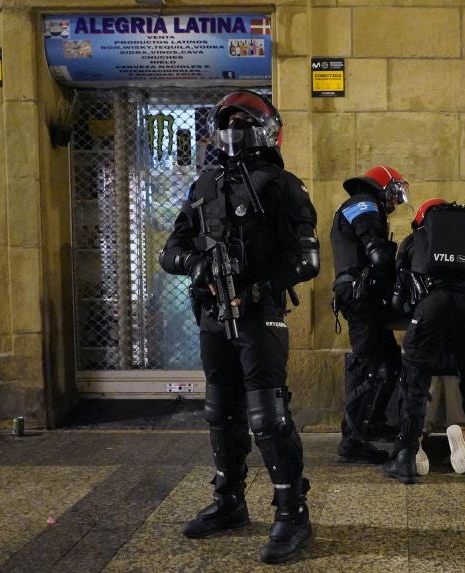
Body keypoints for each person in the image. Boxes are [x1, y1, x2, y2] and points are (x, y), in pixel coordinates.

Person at [159, 91, 319, 564]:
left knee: (267, 415)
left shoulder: (283, 186)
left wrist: (254, 288)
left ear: (267, 129)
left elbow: (307, 261)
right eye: (227, 123)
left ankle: (293, 512)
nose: (234, 132)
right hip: (211, 312)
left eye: (243, 123)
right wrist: (197, 264)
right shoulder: (204, 185)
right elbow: (172, 249)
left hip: (258, 312)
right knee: (218, 408)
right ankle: (230, 501)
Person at [383, 199, 465, 483]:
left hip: (432, 305)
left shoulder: (415, 239)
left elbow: (399, 290)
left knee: (415, 381)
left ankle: (406, 456)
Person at [330, 166, 410, 464]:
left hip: (363, 295)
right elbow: (377, 253)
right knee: (370, 367)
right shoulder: (363, 205)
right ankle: (352, 441)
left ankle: (373, 422)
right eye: (393, 193)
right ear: (383, 188)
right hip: (361, 296)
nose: (394, 202)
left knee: (389, 362)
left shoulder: (361, 205)